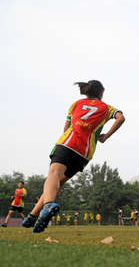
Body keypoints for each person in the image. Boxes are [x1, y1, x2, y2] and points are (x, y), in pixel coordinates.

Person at [21, 80, 125, 233]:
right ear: (101, 93)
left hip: (68, 143)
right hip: (84, 152)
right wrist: (106, 136)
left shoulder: (76, 104)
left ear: (87, 91)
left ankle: (48, 205)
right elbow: (120, 118)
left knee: (53, 175)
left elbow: (66, 127)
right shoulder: (106, 108)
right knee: (58, 182)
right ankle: (32, 217)